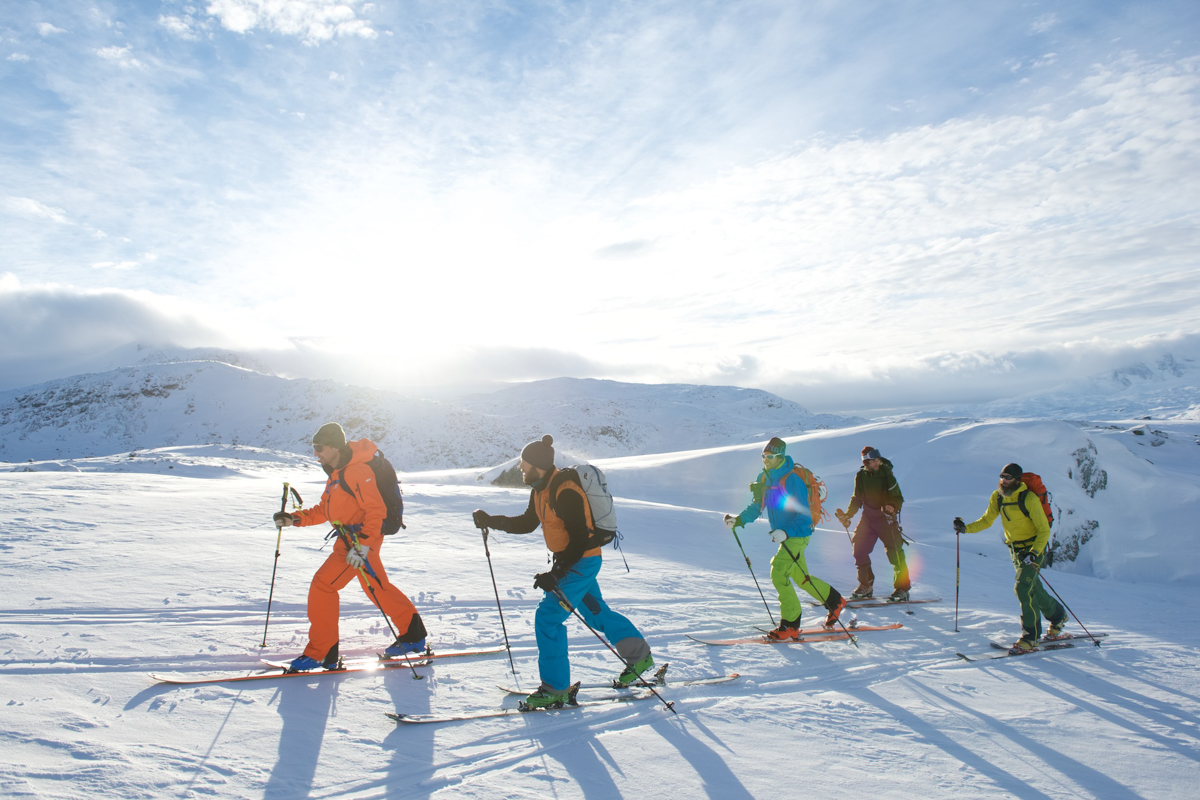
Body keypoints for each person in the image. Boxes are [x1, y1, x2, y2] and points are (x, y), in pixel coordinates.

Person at [472, 435, 653, 709]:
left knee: (547, 617)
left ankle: (555, 689)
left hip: (581, 562)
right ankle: (640, 657)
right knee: (596, 613)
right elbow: (527, 523)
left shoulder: (565, 490)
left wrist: (556, 574)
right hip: (575, 562)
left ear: (538, 465)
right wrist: (491, 520)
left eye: (524, 463)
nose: (520, 468)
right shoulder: (540, 489)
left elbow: (579, 540)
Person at [272, 422, 427, 671]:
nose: (316, 453)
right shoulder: (336, 473)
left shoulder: (355, 471)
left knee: (323, 586)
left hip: (360, 540)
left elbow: (376, 511)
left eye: (319, 447)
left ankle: (322, 651)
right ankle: (413, 634)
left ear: (334, 446)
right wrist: (295, 519)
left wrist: (363, 546)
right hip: (349, 540)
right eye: (314, 447)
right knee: (376, 587)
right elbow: (326, 509)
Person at [724, 437, 846, 640]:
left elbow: (804, 515)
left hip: (797, 533)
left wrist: (786, 532)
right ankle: (835, 601)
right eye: (763, 456)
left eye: (770, 456)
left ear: (780, 456)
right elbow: (757, 506)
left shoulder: (792, 479)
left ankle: (791, 624)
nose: (766, 460)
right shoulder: (764, 477)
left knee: (779, 572)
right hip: (785, 534)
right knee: (801, 577)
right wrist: (738, 520)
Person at [954, 462, 1067, 653]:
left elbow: (1044, 530)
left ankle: (1030, 637)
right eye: (1001, 476)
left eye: (1008, 477)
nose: (1003, 481)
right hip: (1015, 551)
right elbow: (987, 520)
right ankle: (1058, 616)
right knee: (1033, 588)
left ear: (1017, 480)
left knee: (1022, 588)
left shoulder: (1029, 498)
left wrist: (1034, 553)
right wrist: (965, 529)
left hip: (1033, 549)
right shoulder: (997, 496)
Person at [835, 446, 910, 601]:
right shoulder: (860, 476)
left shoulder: (887, 475)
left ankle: (902, 589)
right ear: (866, 462)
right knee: (859, 550)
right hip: (868, 518)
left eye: (878, 460)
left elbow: (898, 498)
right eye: (874, 461)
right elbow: (856, 498)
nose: (877, 463)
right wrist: (848, 514)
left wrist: (892, 506)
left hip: (886, 519)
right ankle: (865, 586)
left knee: (895, 553)